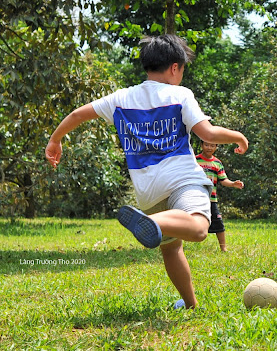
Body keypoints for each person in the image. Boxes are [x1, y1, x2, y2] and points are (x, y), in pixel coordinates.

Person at [45, 34, 248, 310]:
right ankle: (157, 223)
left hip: (148, 194)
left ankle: (190, 304)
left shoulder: (121, 98)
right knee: (200, 228)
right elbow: (207, 133)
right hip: (182, 181)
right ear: (175, 67)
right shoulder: (180, 94)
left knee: (172, 248)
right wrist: (238, 136)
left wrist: (55, 140)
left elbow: (77, 115)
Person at [196, 141, 244, 252]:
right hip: (196, 197)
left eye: (212, 145)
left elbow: (223, 180)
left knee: (218, 222)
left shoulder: (217, 163)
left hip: (211, 199)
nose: (209, 147)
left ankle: (223, 248)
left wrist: (232, 183)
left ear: (216, 147)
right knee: (189, 220)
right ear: (202, 145)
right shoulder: (195, 160)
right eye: (206, 145)